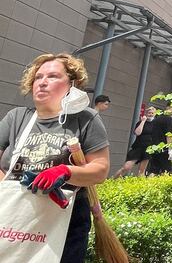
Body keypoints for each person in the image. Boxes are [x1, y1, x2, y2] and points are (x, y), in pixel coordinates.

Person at [0, 53, 110, 262]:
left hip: (64, 223)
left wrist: (65, 172)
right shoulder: (16, 117)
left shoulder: (86, 119)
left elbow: (100, 169)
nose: (42, 82)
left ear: (72, 83)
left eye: (52, 76)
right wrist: (9, 187)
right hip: (13, 218)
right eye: (38, 77)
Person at [113, 106, 155, 178]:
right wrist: (143, 121)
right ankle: (112, 180)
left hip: (148, 149)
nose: (150, 114)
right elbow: (137, 133)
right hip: (138, 147)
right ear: (146, 113)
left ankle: (140, 186)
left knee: (142, 170)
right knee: (126, 167)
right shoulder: (140, 122)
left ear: (154, 114)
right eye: (149, 113)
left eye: (152, 113)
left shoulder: (155, 124)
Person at [148, 106, 172, 175]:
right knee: (166, 171)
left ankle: (148, 185)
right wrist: (170, 149)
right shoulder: (169, 119)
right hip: (164, 148)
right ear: (168, 108)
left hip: (154, 147)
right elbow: (169, 135)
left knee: (153, 170)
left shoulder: (157, 119)